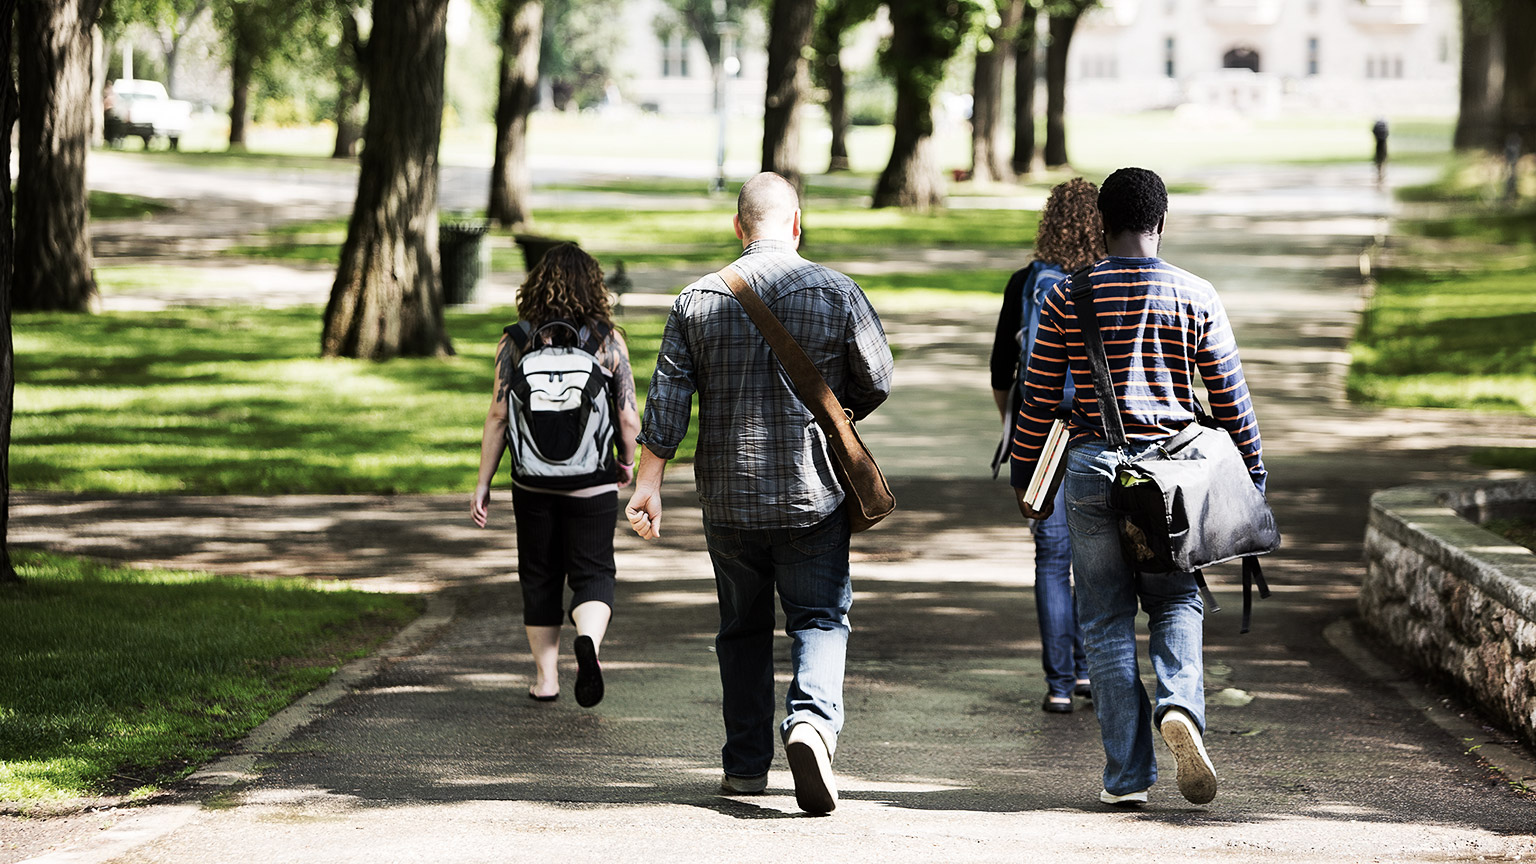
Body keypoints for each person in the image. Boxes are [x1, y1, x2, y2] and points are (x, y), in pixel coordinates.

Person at [625, 172, 893, 815]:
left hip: (728, 497)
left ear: (739, 227)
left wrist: (649, 486)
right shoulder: (837, 292)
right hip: (812, 491)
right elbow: (877, 378)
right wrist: (832, 411)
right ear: (796, 223)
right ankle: (811, 726)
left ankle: (744, 767)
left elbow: (666, 401)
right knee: (821, 618)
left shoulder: (696, 300)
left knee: (740, 630)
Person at [1009, 167, 1267, 807]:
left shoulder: (1067, 296)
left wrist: (1025, 475)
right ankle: (1179, 705)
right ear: (1162, 221)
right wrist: (1253, 480)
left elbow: (1037, 400)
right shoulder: (1196, 294)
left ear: (1101, 222)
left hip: (1095, 469)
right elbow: (1234, 405)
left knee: (1103, 617)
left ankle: (1127, 777)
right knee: (1176, 597)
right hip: (1174, 477)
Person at [472, 243, 640, 708]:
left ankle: (546, 679)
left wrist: (483, 483)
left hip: (532, 482)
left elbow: (498, 417)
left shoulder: (515, 340)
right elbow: (628, 418)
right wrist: (626, 463)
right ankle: (588, 641)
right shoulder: (607, 340)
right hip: (592, 479)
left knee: (540, 574)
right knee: (593, 571)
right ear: (594, 285)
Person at [988, 178, 1105, 714]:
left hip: (1043, 434)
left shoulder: (1025, 283)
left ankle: (1059, 684)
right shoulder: (1110, 281)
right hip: (1101, 435)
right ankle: (1088, 673)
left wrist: (1019, 429)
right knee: (1099, 557)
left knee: (1052, 557)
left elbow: (1000, 371)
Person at [1372, 117, 1389, 186]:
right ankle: (1381, 171)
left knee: (1380, 157)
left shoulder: (1377, 126)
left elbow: (1374, 131)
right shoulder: (1384, 126)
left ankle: (1380, 171)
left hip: (1379, 144)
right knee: (1382, 157)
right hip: (1381, 144)